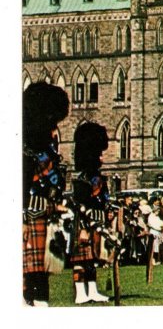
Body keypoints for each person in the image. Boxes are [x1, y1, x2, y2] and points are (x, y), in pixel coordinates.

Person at [22, 82, 70, 307]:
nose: (54, 131)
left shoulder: (46, 152)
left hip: (43, 215)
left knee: (42, 271)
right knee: (29, 273)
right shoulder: (26, 154)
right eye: (52, 124)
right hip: (29, 217)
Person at [70, 121, 112, 304]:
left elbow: (101, 202)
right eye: (99, 153)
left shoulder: (98, 178)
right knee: (81, 259)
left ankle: (93, 290)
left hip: (97, 223)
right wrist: (83, 229)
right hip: (85, 224)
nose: (102, 157)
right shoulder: (82, 180)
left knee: (92, 259)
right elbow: (80, 206)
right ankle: (80, 293)